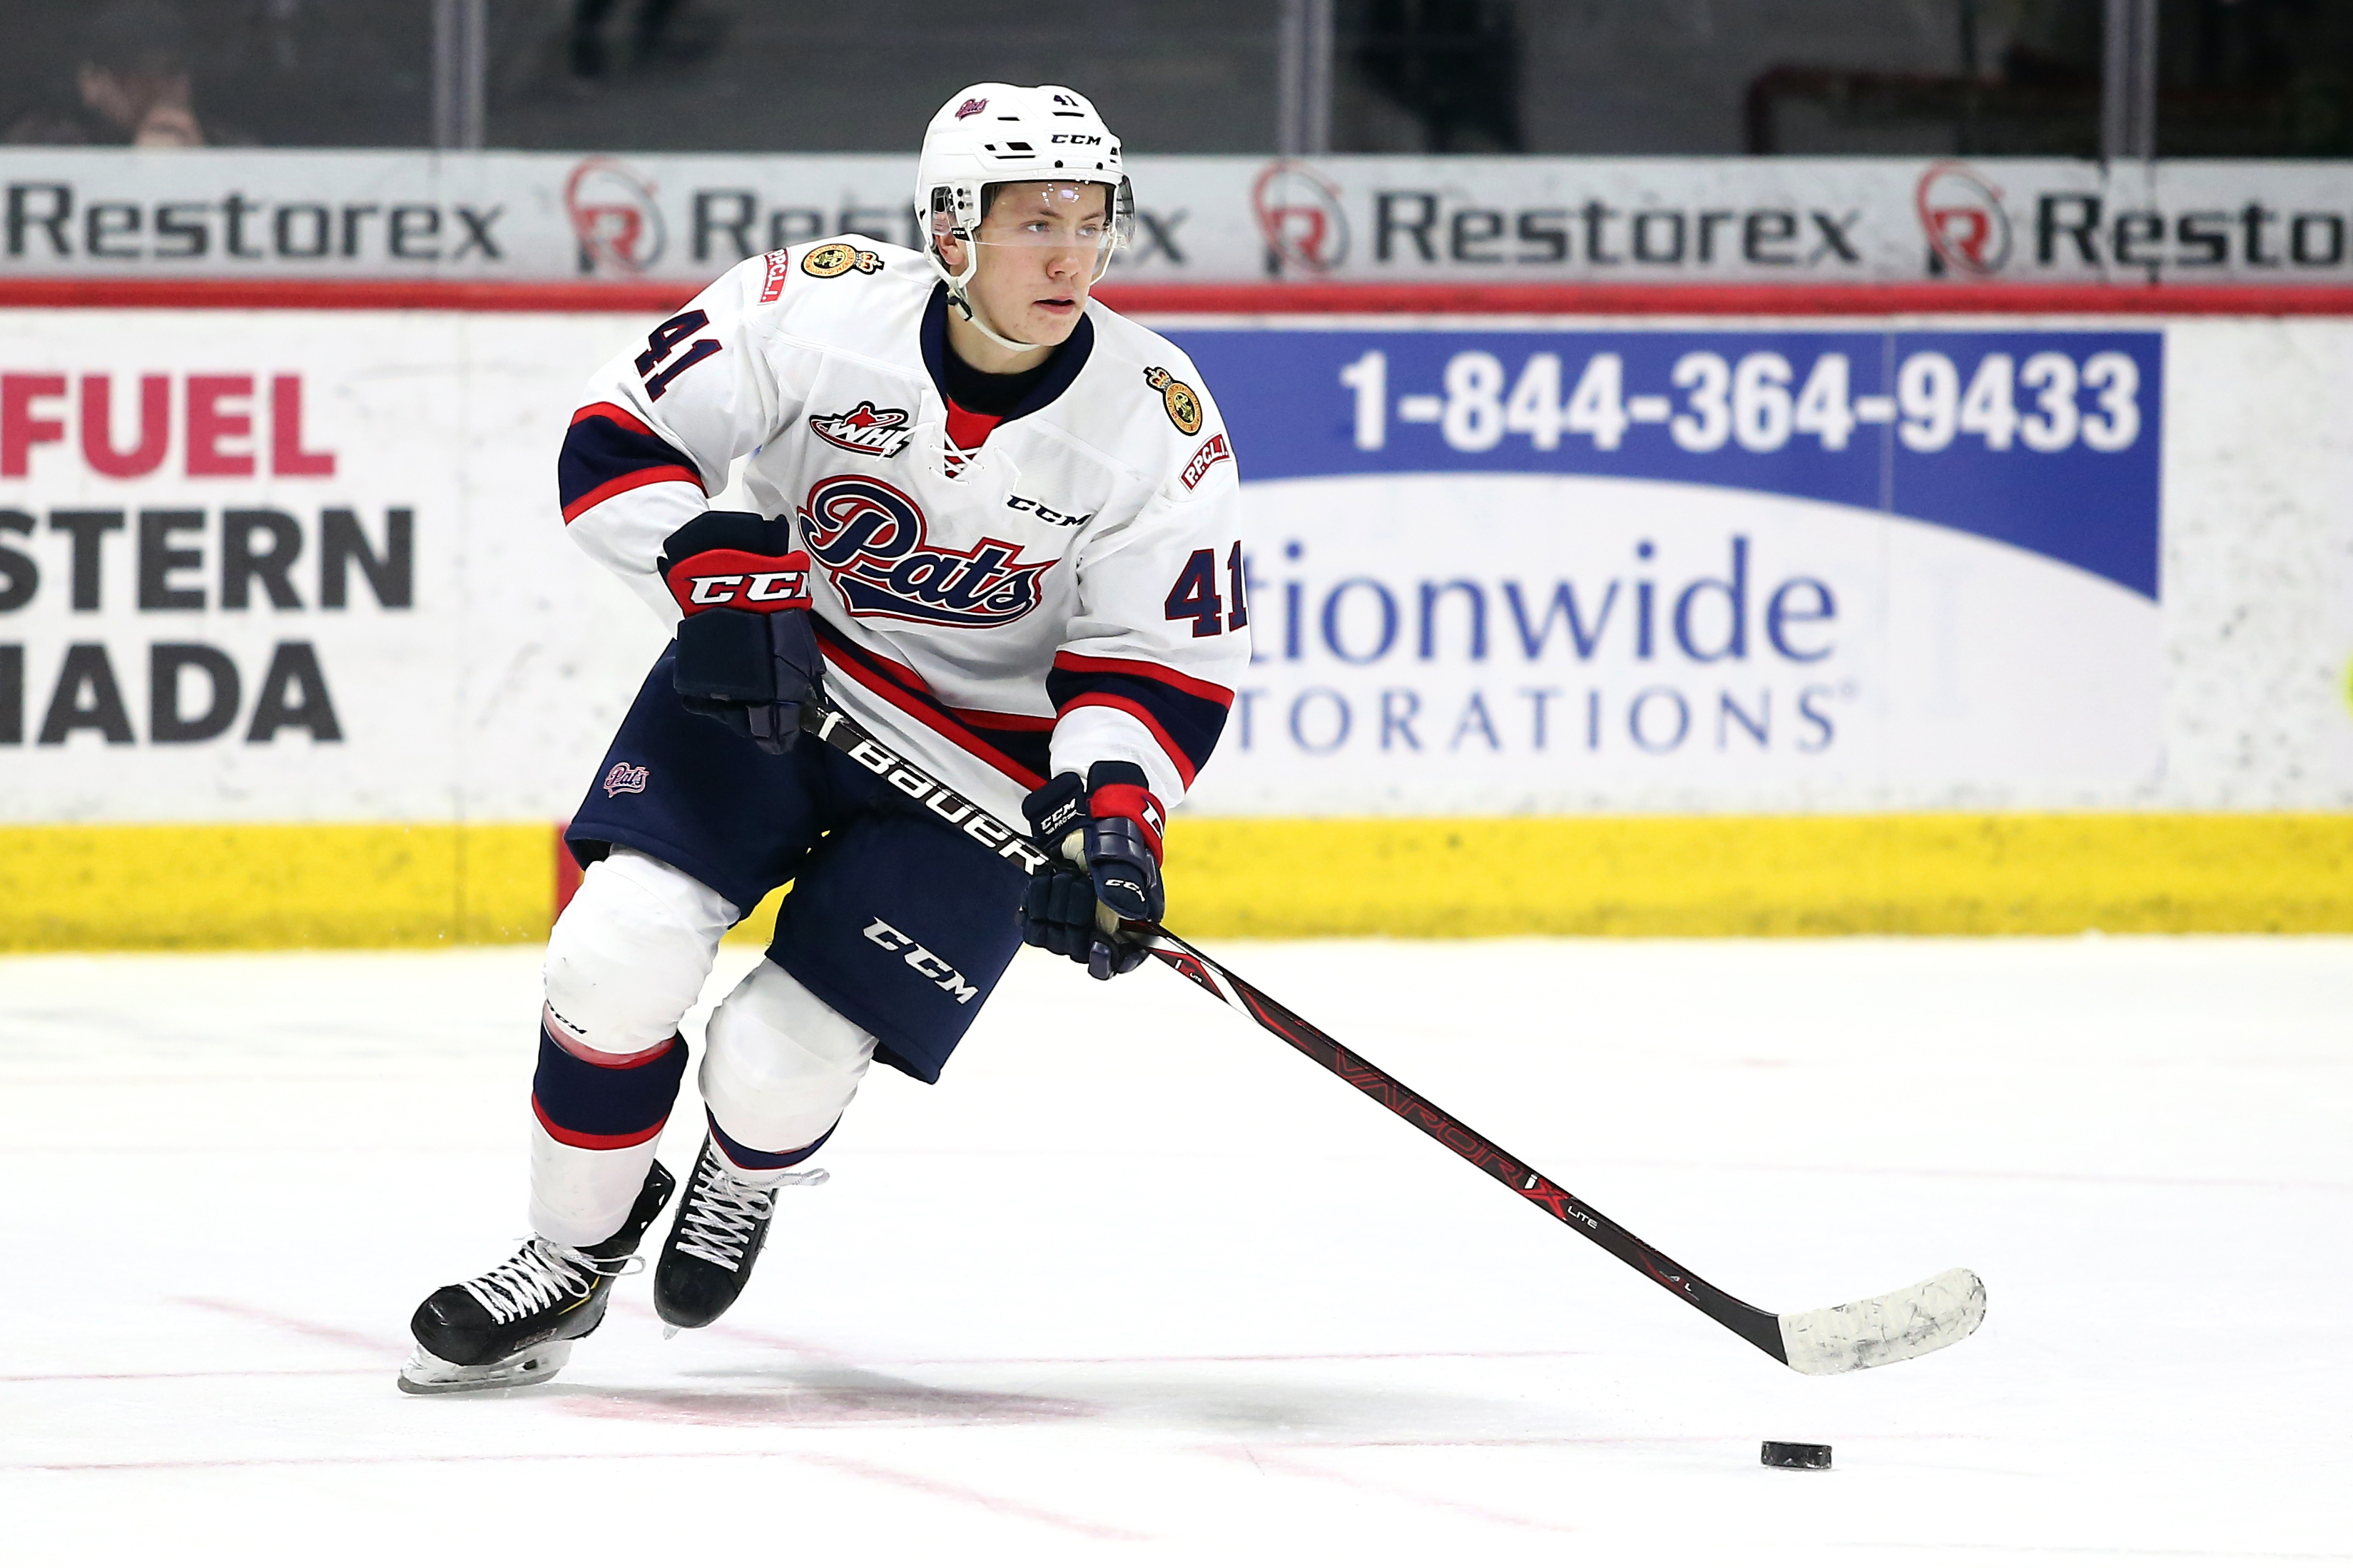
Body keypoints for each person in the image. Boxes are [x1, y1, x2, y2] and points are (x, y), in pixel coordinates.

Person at [399, 83, 1249, 1395]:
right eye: (1034, 222)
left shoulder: (1155, 416)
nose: (1070, 256)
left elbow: (1158, 657)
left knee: (773, 1067)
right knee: (615, 952)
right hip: (775, 685)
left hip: (979, 770)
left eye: (1091, 221)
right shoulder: (815, 308)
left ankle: (743, 1167)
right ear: (950, 228)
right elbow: (619, 436)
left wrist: (1110, 814)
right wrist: (711, 574)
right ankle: (567, 1255)